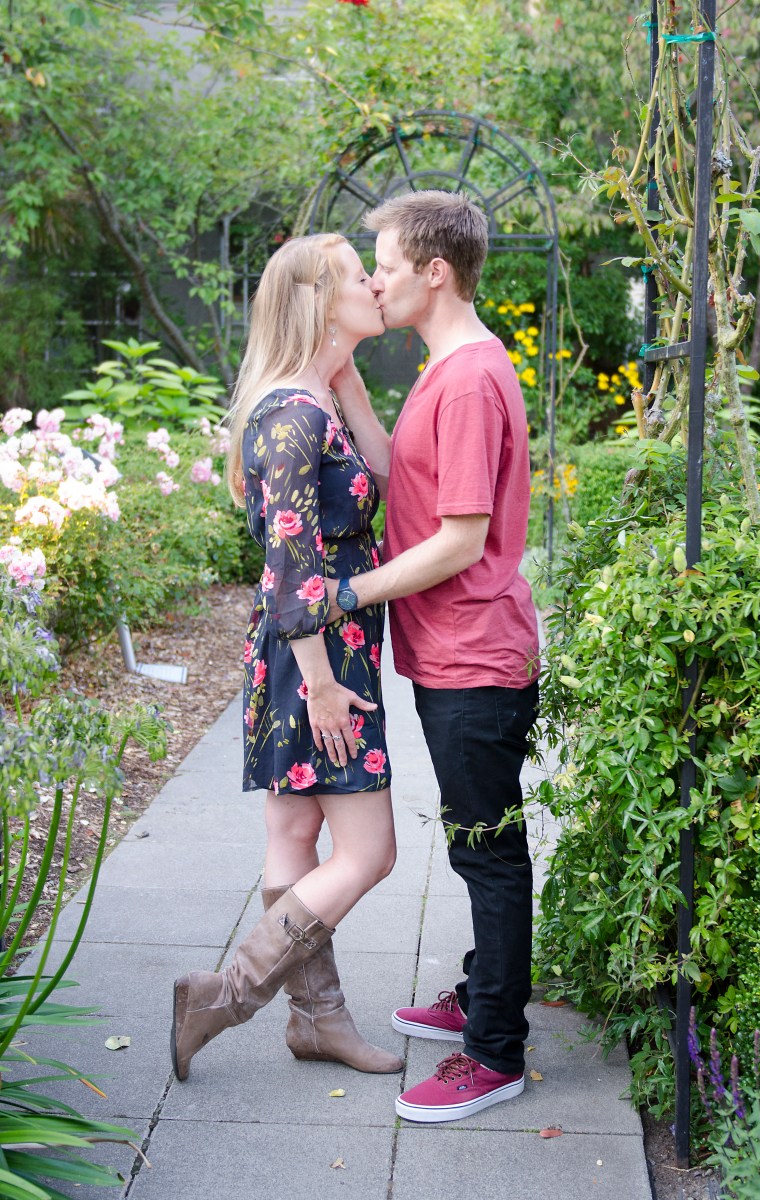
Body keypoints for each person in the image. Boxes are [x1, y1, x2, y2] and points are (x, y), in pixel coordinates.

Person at [326, 190, 540, 1123]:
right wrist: (343, 375)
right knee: (474, 842)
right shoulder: (445, 366)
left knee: (487, 855)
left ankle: (494, 1051)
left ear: (435, 271)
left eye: (385, 265)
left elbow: (459, 539)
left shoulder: (468, 380)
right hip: (453, 652)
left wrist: (347, 594)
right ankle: (485, 990)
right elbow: (397, 473)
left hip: (475, 658)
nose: (375, 280)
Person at [171, 233, 403, 1083]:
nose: (375, 285)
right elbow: (289, 559)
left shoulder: (315, 401)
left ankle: (317, 1022)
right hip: (316, 658)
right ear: (318, 299)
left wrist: (344, 372)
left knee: (296, 831)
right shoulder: (293, 417)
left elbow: (388, 476)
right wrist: (323, 686)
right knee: (369, 852)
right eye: (359, 277)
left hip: (309, 649)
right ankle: (225, 994)